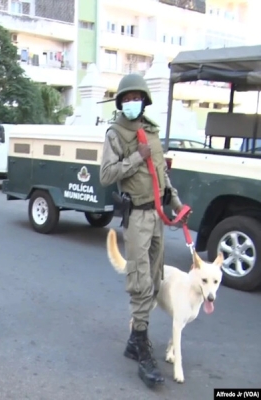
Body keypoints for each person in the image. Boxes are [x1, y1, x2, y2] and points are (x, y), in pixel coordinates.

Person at [99, 74, 188, 388]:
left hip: (158, 214)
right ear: (121, 102)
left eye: (137, 97)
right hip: (136, 215)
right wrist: (137, 157)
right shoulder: (116, 133)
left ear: (145, 101)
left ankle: (133, 340)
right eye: (127, 98)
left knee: (154, 277)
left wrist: (176, 203)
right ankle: (140, 343)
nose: (132, 102)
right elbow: (107, 174)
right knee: (139, 281)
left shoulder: (150, 130)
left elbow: (161, 174)